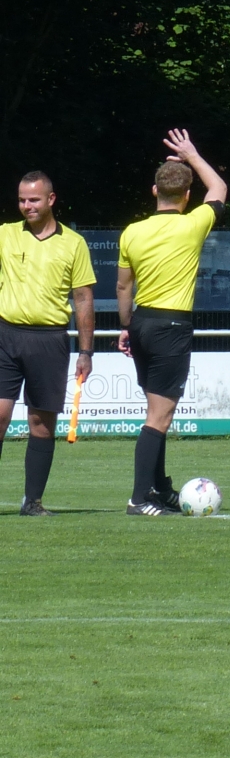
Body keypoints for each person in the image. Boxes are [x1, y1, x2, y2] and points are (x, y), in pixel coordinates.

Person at [116, 130, 227, 516]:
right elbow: (220, 186)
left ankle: (160, 487)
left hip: (143, 323)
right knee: (159, 417)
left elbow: (123, 286)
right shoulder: (192, 224)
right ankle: (138, 498)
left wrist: (127, 326)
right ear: (187, 197)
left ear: (153, 191)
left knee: (154, 410)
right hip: (171, 326)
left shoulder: (132, 231)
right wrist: (192, 153)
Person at [0, 171, 95, 515]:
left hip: (50, 340)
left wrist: (86, 351)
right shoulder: (5, 235)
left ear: (51, 200)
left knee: (41, 423)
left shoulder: (74, 243)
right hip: (5, 335)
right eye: (23, 200)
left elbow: (83, 299)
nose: (27, 205)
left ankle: (33, 502)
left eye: (34, 199)